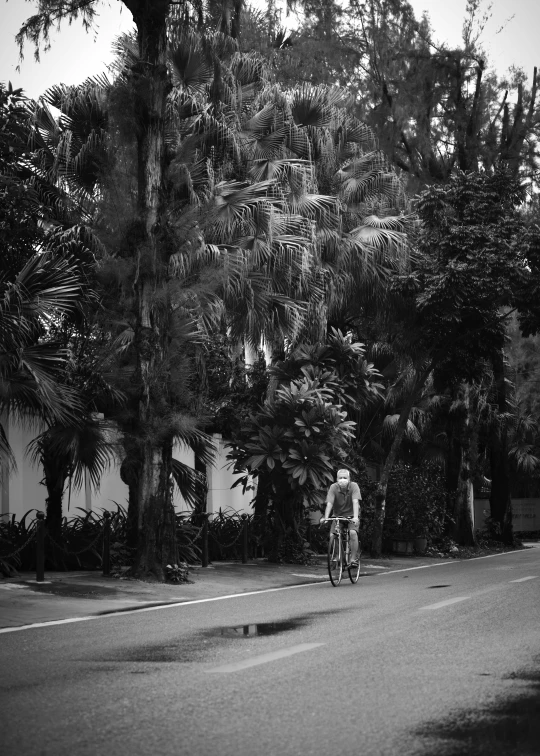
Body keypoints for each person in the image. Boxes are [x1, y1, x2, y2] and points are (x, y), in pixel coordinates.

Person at [320, 469, 361, 566]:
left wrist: (355, 517)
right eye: (340, 478)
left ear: (349, 479)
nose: (342, 480)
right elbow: (329, 503)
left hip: (352, 515)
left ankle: (353, 559)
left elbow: (355, 502)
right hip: (338, 515)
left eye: (345, 478)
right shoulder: (333, 487)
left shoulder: (354, 486)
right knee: (332, 535)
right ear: (337, 479)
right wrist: (326, 518)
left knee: (352, 533)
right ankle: (339, 556)